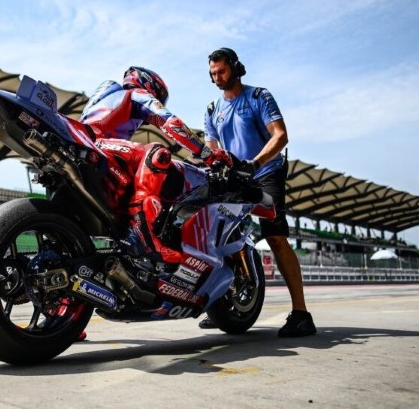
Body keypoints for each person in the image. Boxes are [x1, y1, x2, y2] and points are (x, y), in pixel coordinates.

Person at [199, 47, 316, 337]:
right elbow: (212, 151)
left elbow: (280, 135)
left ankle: (301, 313)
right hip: (233, 180)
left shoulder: (258, 97)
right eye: (213, 73)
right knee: (221, 238)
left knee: (275, 237)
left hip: (264, 173)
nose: (217, 78)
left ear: (236, 68)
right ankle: (221, 305)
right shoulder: (212, 110)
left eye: (222, 71)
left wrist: (255, 164)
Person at [80, 66, 230, 264]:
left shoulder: (106, 99)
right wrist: (206, 154)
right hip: (97, 145)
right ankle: (142, 234)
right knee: (158, 154)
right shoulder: (135, 94)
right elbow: (170, 122)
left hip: (91, 153)